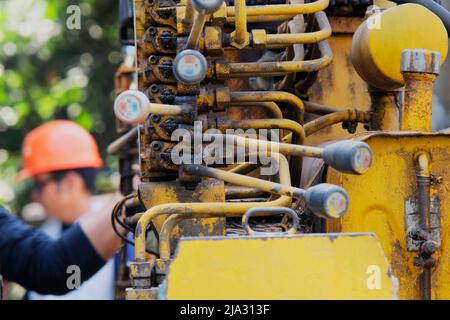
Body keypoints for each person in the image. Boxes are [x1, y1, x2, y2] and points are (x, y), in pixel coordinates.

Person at [0, 121, 123, 297]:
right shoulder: (42, 241)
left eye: (39, 184)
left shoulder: (121, 237)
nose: (35, 195)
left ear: (70, 182)